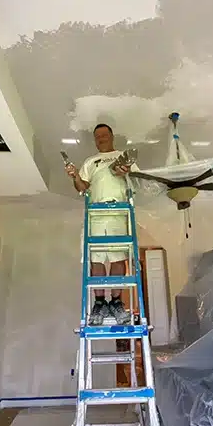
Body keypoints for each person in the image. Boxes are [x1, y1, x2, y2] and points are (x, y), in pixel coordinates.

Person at [65, 123, 139, 325]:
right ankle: (99, 302)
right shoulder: (91, 161)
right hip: (96, 214)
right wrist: (75, 176)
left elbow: (138, 183)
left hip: (118, 211)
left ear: (112, 136)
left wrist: (127, 173)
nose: (101, 138)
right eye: (97, 136)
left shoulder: (124, 156)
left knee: (117, 257)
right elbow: (82, 188)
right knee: (96, 259)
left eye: (104, 135)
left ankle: (115, 301)